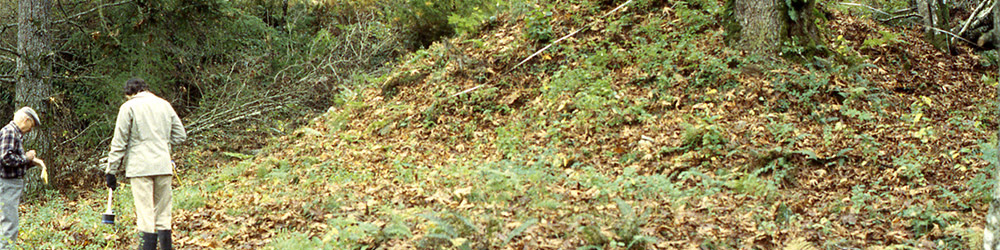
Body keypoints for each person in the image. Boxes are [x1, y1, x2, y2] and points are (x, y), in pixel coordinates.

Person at [105, 78, 186, 250]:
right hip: (163, 165)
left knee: (145, 215)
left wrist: (111, 170)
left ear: (129, 93)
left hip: (140, 167)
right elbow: (181, 136)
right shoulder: (164, 104)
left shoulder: (128, 107)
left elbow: (119, 142)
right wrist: (162, 143)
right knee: (163, 214)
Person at [0, 107, 42, 249]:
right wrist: (26, 157)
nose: (31, 129)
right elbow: (6, 159)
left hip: (9, 184)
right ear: (26, 120)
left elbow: (13, 164)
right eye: (32, 125)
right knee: (10, 225)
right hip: (7, 185)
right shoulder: (10, 132)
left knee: (7, 223)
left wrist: (30, 162)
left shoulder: (13, 133)